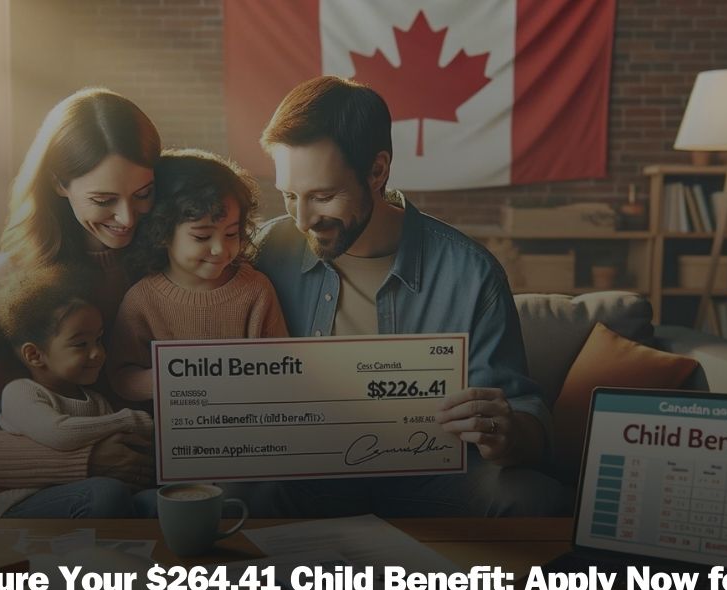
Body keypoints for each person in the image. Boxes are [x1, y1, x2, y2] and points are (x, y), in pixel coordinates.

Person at [238, 75, 567, 517]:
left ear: (377, 171)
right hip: (305, 475)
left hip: (435, 477)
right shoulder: (263, 251)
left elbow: (524, 413)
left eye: (323, 196)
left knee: (530, 499)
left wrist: (507, 432)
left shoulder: (471, 272)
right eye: (289, 195)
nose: (301, 218)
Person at [0, 88, 159, 518]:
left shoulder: (169, 267)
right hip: (63, 497)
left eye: (143, 193)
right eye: (103, 200)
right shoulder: (9, 279)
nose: (127, 218)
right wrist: (84, 463)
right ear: (58, 182)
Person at [0, 266, 158, 518]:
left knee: (156, 502)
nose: (98, 353)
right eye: (81, 344)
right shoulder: (20, 392)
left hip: (87, 493)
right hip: (26, 503)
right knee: (106, 493)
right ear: (35, 355)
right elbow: (57, 432)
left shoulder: (95, 401)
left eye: (99, 340)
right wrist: (127, 420)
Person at [105, 148, 288, 405]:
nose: (220, 249)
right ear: (163, 233)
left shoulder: (256, 290)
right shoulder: (141, 300)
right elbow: (121, 376)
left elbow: (284, 368)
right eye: (202, 236)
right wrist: (165, 380)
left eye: (231, 233)